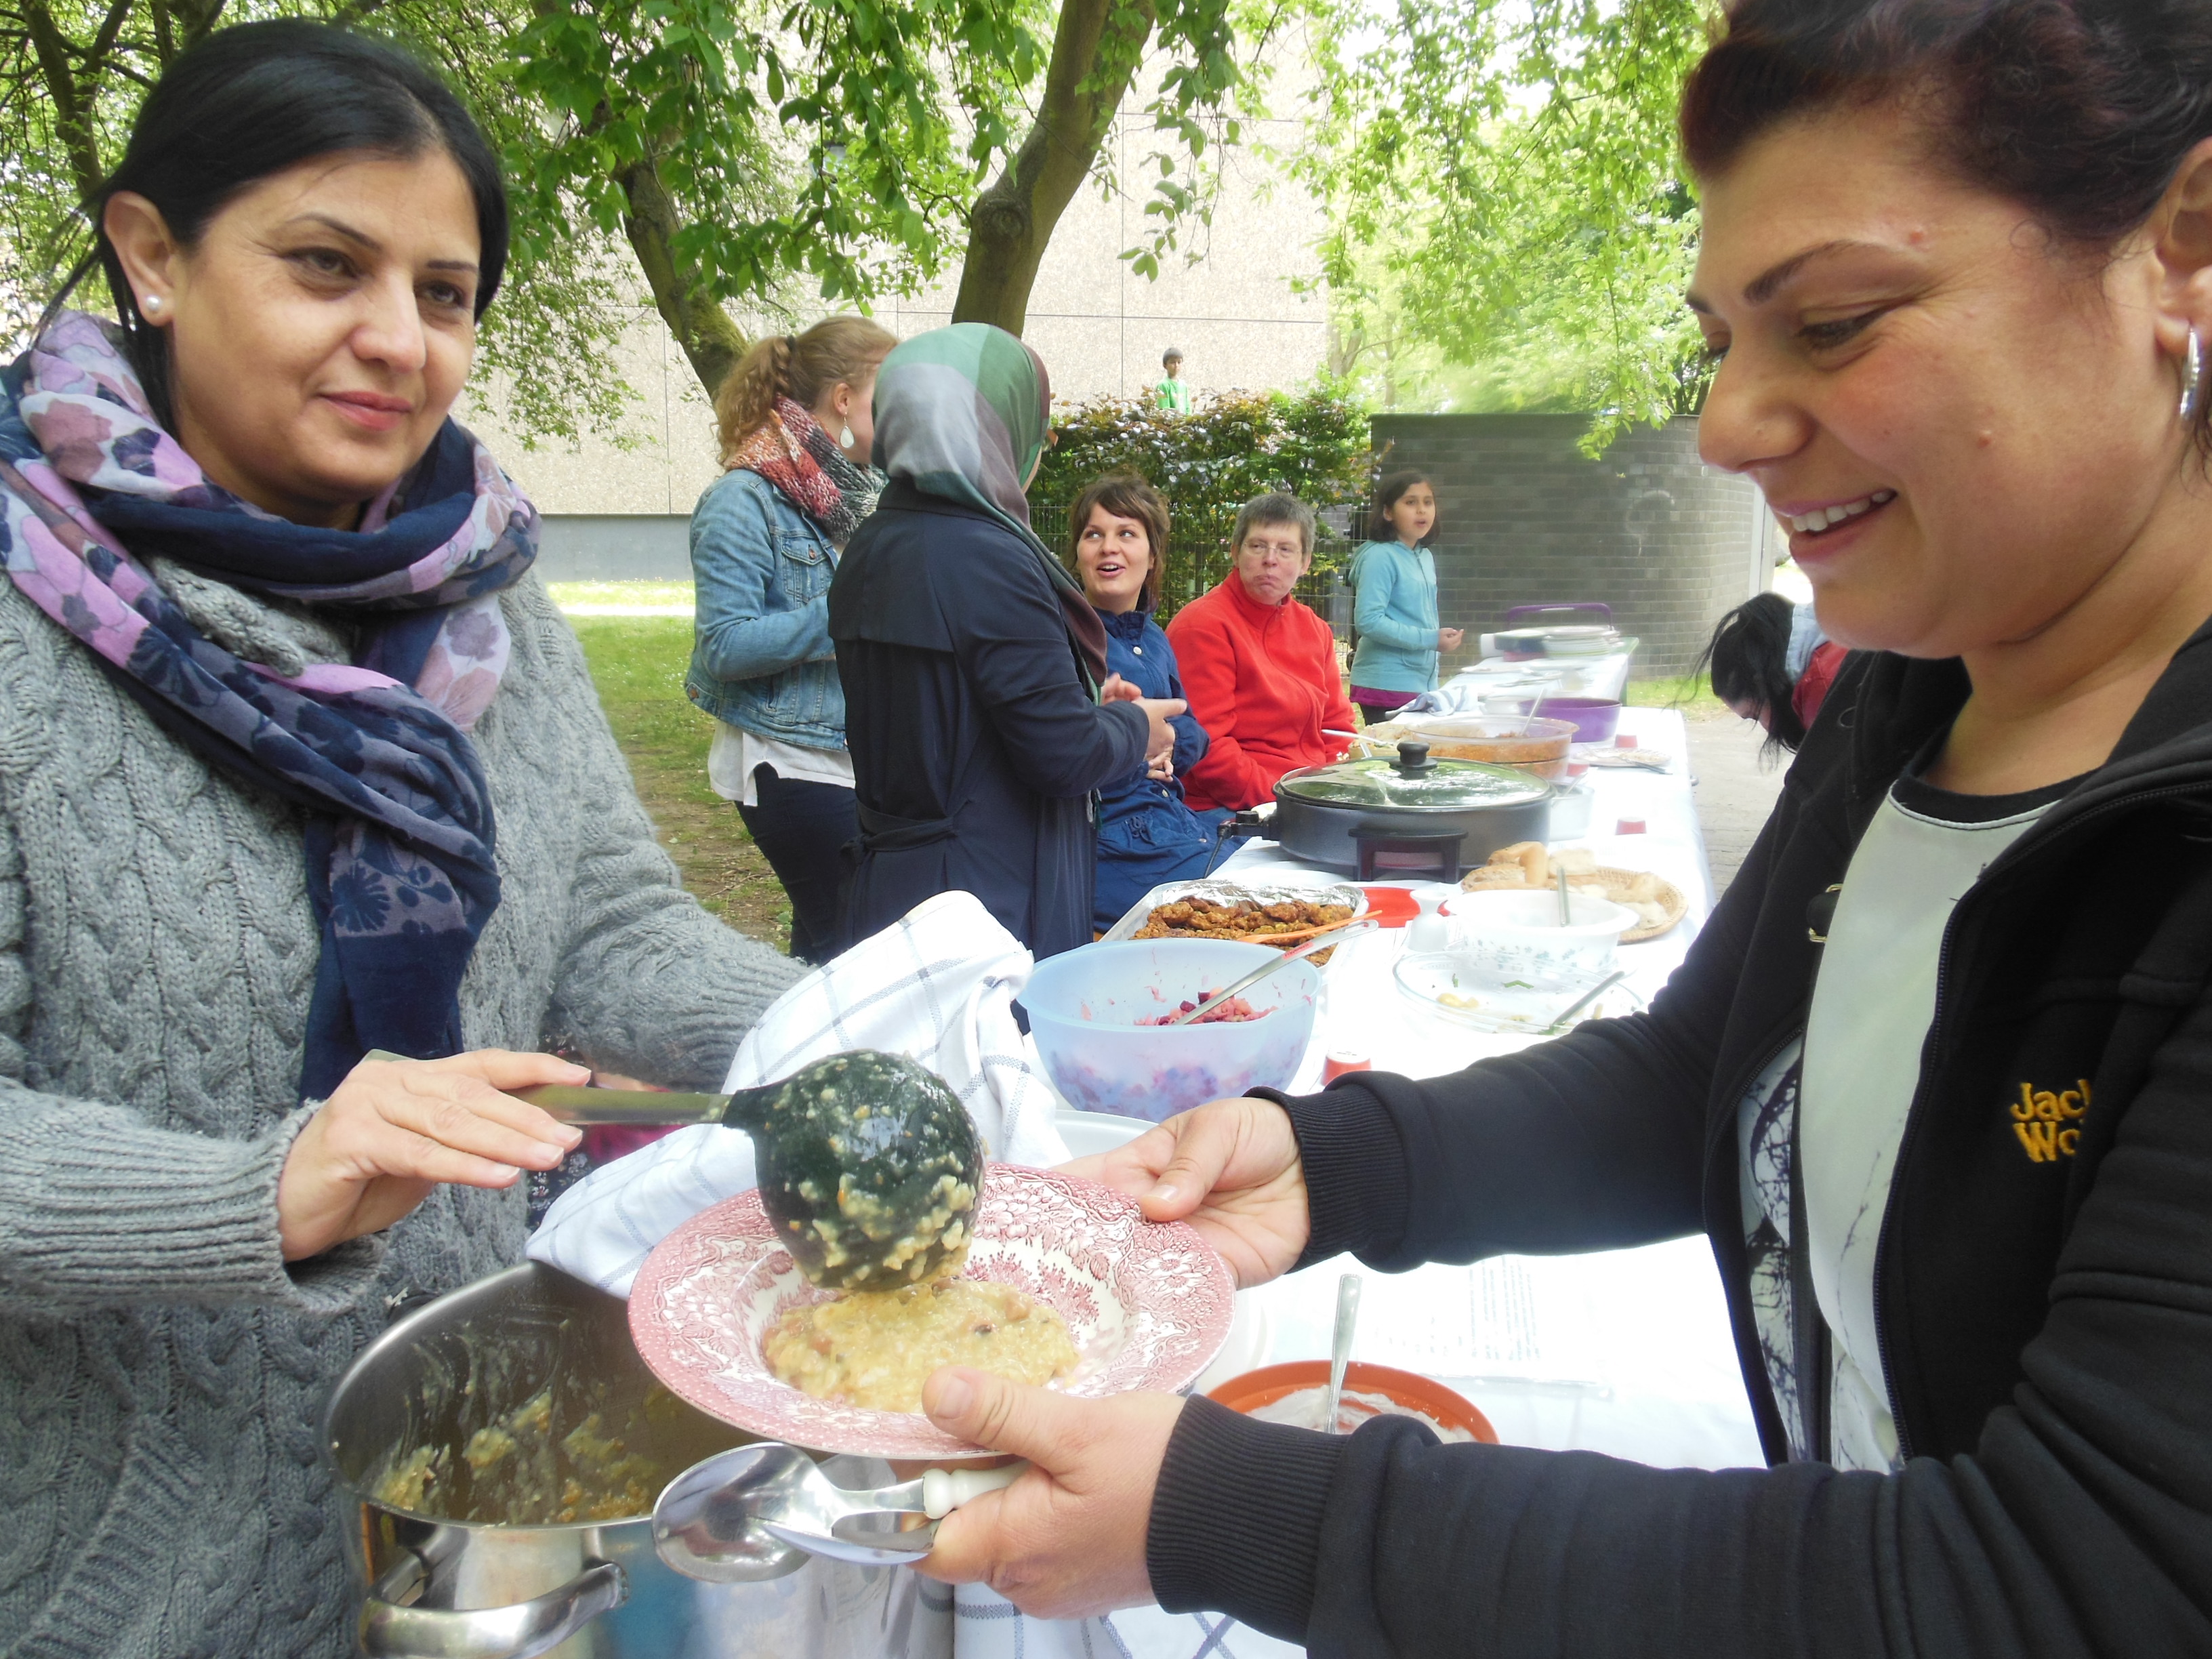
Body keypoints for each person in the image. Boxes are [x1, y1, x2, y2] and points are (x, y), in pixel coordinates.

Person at [899, 1, 2212, 1649]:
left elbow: (2081, 1578)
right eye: (1723, 336)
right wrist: (1326, 1162)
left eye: (1836, 320)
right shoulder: (1913, 693)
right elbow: (1702, 1082)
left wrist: (1230, 1510)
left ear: (2180, 253)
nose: (1731, 419)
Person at [0, 22, 804, 1655]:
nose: (396, 340)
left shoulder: (488, 591)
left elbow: (603, 927)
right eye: (325, 264)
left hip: (487, 1506)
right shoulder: (24, 626)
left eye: (443, 294)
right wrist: (271, 1182)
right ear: (151, 251)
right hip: (140, 1564)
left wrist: (843, 1030)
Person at [829, 325, 1184, 958]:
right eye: (1033, 426)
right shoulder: (986, 556)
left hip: (897, 894)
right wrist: (1135, 728)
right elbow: (1063, 756)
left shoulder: (873, 544)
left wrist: (1077, 700)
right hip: (983, 908)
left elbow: (950, 714)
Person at [687, 316, 896, 963]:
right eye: (886, 397)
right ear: (843, 399)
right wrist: (844, 614)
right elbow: (723, 646)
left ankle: (789, 1064)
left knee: (823, 951)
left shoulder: (860, 495)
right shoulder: (743, 499)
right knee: (857, 947)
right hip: (784, 758)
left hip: (850, 753)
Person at [1068, 472, 1216, 932]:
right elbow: (1059, 753)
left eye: (1126, 533)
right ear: (1078, 555)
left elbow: (1193, 731)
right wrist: (1126, 738)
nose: (1108, 546)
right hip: (1110, 843)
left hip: (1168, 821)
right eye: (1094, 534)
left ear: (1152, 556)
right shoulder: (1064, 637)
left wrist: (1166, 740)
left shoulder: (1153, 638)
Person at [1166, 493, 1357, 815]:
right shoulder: (1203, 626)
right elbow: (1209, 749)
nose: (1270, 559)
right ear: (1235, 553)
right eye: (1257, 546)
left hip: (1310, 795)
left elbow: (1337, 727)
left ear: (1305, 563)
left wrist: (1335, 788)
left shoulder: (1315, 629)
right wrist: (1287, 802)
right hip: (1231, 808)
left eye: (1285, 550)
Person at [1346, 468, 1464, 725]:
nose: (1422, 510)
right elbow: (1368, 620)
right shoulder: (1380, 557)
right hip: (1385, 684)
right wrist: (1431, 639)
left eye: (1428, 502)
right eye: (1411, 502)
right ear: (1388, 513)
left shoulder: (1424, 555)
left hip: (1421, 684)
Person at [1699, 590, 1847, 756]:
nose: (1768, 729)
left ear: (1761, 683)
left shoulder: (1823, 686)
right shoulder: (1831, 636)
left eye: (1755, 716)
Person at [1153, 346, 1192, 415]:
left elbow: (1188, 408)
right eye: (1173, 362)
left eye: (1179, 362)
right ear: (1165, 365)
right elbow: (1164, 411)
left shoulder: (1183, 385)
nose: (1176, 365)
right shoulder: (1163, 385)